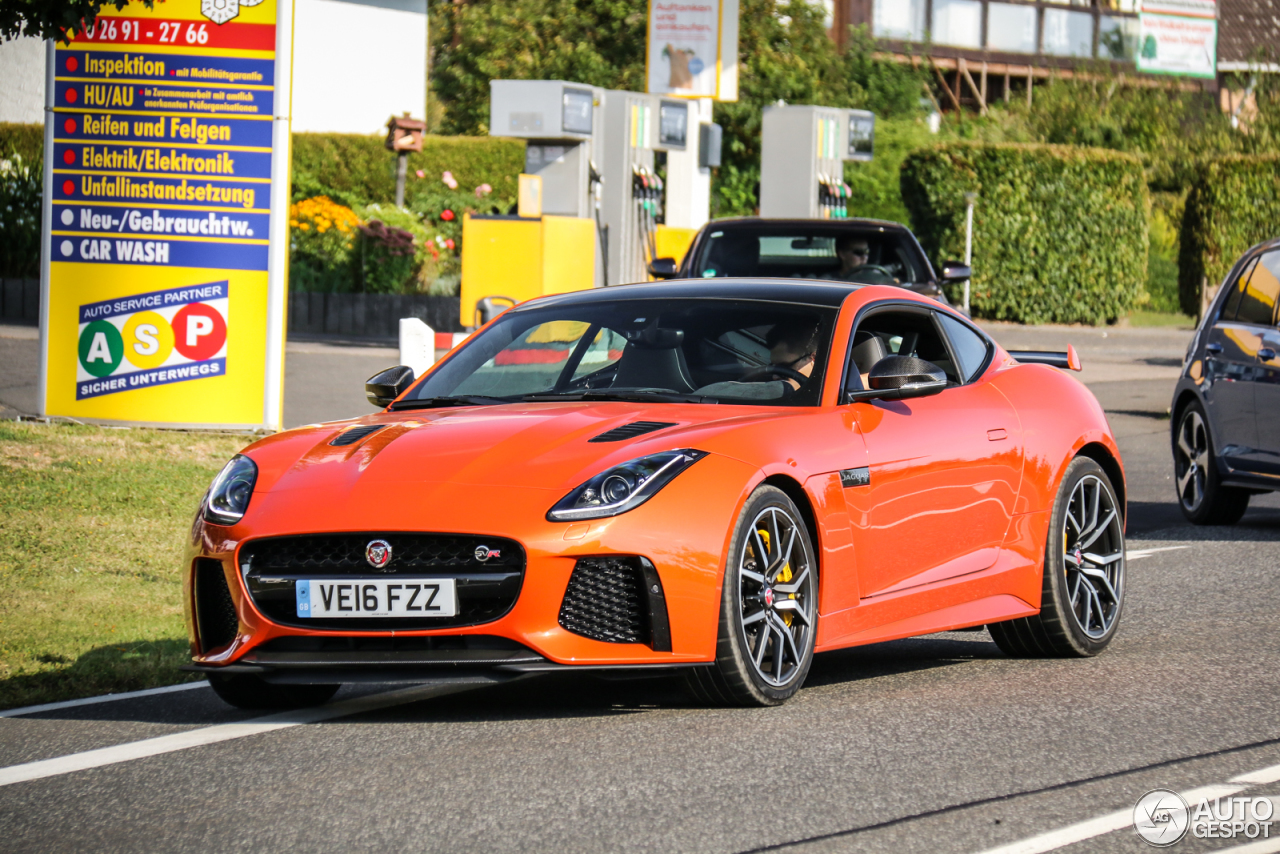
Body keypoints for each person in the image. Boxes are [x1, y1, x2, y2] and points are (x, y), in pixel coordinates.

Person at [694, 318, 819, 400]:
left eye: (785, 367)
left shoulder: (831, 400)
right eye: (773, 366)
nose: (775, 376)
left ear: (813, 358)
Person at [821, 236, 898, 284]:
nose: (864, 257)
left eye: (866, 252)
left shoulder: (878, 279)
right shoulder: (828, 281)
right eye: (859, 252)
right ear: (842, 254)